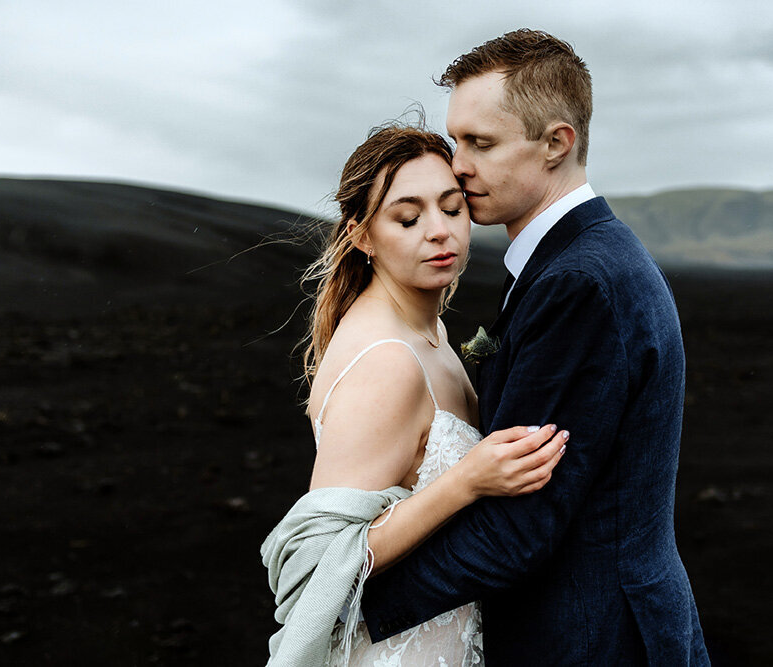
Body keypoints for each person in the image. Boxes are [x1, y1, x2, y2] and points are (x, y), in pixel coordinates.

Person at [359, 29, 710, 665]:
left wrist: (355, 611)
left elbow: (521, 526)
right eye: (455, 139)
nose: (457, 165)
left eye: (480, 143)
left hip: (594, 638)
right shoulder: (579, 260)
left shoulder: (581, 282)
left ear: (556, 142)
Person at [260, 123, 569, 666]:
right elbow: (318, 557)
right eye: (408, 218)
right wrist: (466, 482)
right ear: (361, 236)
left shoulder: (432, 333)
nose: (439, 232)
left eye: (452, 209)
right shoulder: (389, 362)